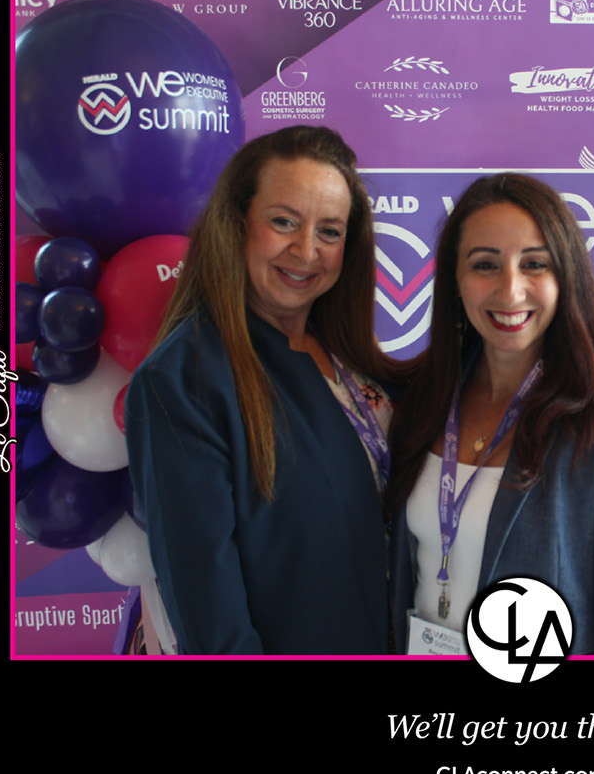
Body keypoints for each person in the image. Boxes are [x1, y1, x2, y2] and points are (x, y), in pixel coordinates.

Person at [125, 126, 406, 654]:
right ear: (236, 225)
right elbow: (211, 615)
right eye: (284, 222)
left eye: (329, 231)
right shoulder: (183, 378)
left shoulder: (351, 358)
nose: (306, 250)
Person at [387, 173, 594, 655]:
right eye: (485, 265)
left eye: (534, 264)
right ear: (455, 281)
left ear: (565, 278)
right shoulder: (422, 400)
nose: (510, 290)